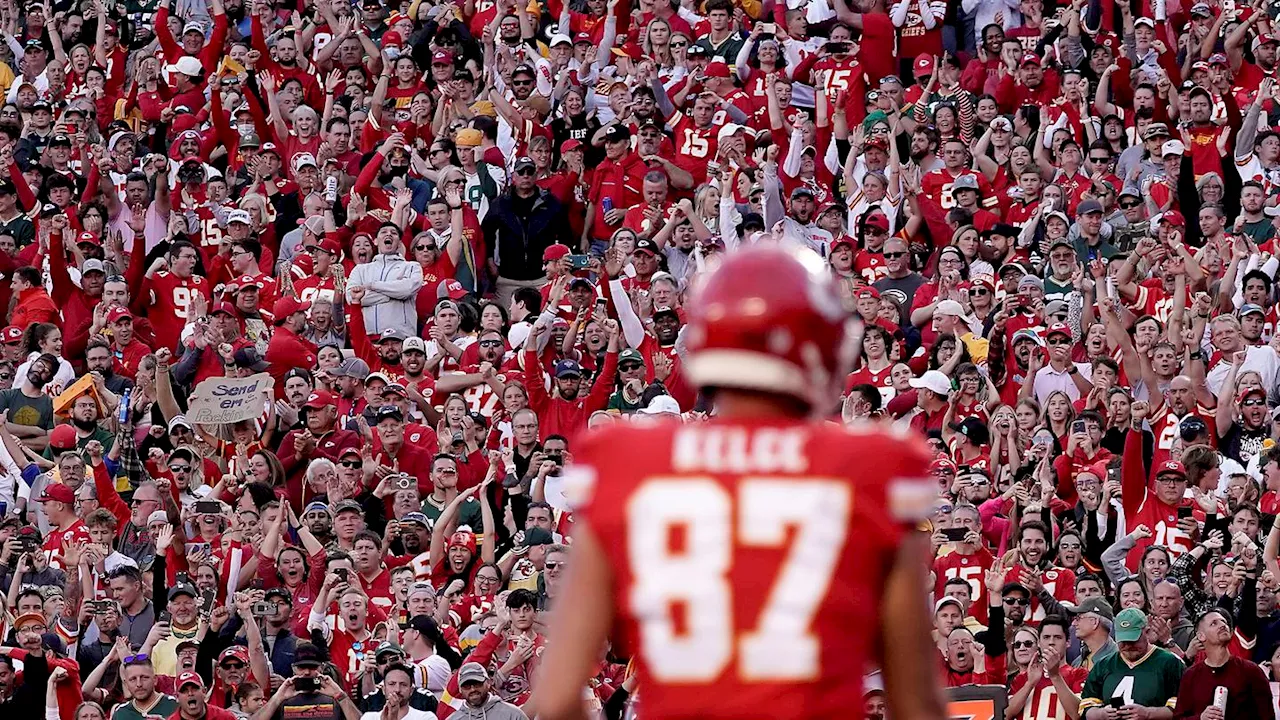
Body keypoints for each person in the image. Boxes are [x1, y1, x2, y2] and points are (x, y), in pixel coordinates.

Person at [529, 246, 944, 719]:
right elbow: (915, 704)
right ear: (826, 349)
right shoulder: (875, 466)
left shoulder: (628, 460)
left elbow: (560, 695)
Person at [1079, 608, 1184, 719]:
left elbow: (1182, 708)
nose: (1128, 646)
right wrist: (1102, 714)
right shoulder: (1103, 665)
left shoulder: (1170, 663)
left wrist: (1148, 713)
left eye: (1133, 640)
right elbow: (1086, 708)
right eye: (1123, 641)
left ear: (1146, 632)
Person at [1171, 608, 1274, 720]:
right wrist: (1200, 718)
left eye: (1224, 622)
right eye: (1214, 623)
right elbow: (1178, 718)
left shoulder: (1251, 671)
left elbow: (1267, 716)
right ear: (1201, 636)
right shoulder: (1191, 675)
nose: (1222, 625)